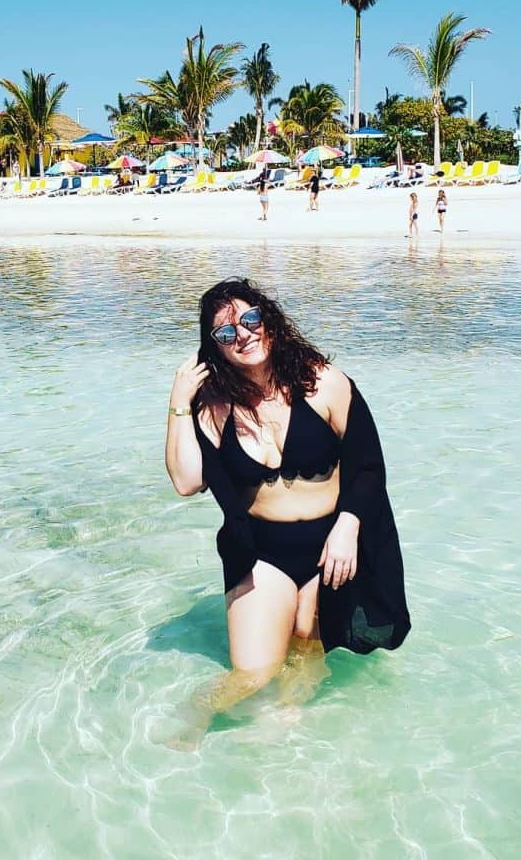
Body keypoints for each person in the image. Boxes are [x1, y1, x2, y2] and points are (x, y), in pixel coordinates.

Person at [165, 278, 410, 738]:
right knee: (252, 675)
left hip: (334, 551)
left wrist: (349, 525)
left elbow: (369, 467)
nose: (243, 334)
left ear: (270, 323)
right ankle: (191, 719)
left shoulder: (324, 383)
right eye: (225, 332)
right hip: (262, 555)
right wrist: (178, 403)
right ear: (214, 347)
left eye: (251, 319)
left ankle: (288, 733)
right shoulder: (213, 407)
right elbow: (185, 481)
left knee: (307, 665)